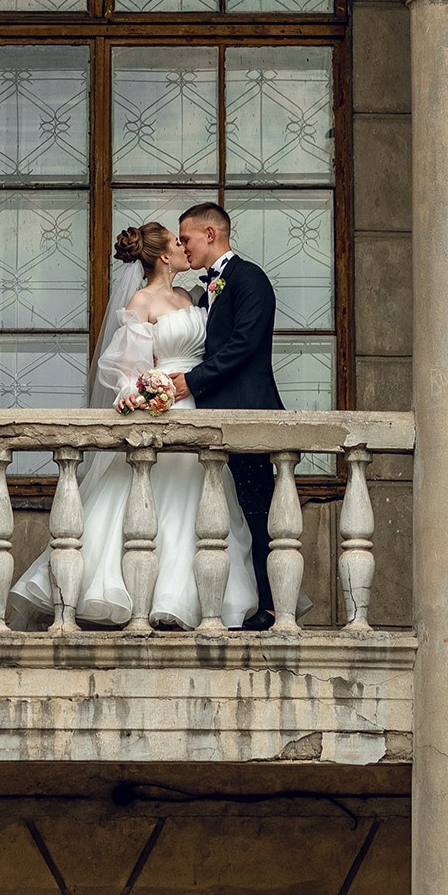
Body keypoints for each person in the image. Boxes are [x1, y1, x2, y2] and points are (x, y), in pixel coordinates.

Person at [7, 222, 262, 630]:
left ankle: (196, 597)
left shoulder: (194, 296)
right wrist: (138, 391)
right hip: (166, 407)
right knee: (158, 502)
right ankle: (143, 594)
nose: (184, 248)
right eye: (178, 243)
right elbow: (127, 367)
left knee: (202, 501)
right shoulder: (142, 301)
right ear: (164, 255)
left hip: (199, 404)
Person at [171, 202, 287, 629]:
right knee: (231, 516)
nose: (183, 247)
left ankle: (274, 607)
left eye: (185, 238)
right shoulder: (207, 290)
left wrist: (192, 382)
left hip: (250, 413)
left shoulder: (249, 278)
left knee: (260, 512)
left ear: (209, 234)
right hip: (217, 418)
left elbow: (243, 345)